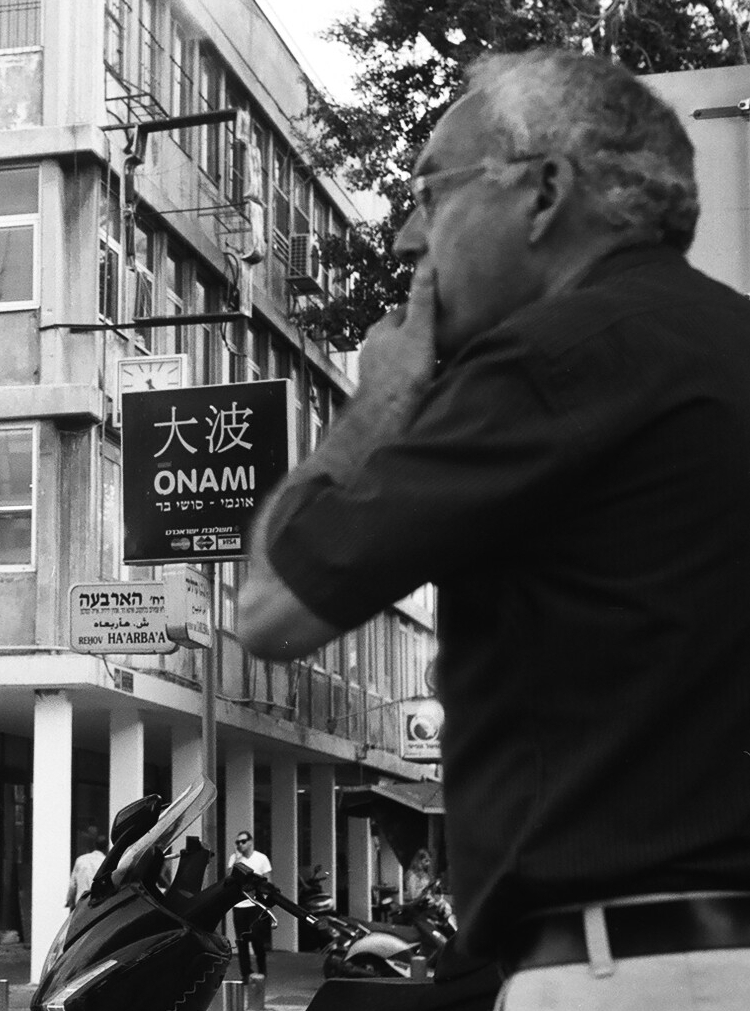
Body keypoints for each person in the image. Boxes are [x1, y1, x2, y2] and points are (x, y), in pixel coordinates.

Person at [236, 48, 750, 1010]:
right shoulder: (723, 348)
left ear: (544, 191)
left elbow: (272, 606)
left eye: (431, 192)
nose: (405, 241)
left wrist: (379, 402)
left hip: (629, 967)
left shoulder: (552, 360)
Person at [227, 830, 272, 981]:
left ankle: (262, 971)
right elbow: (229, 878)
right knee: (242, 941)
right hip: (239, 905)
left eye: (243, 841)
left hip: (255, 905)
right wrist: (237, 859)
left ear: (251, 842)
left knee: (257, 939)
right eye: (238, 842)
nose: (240, 845)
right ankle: (246, 973)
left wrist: (265, 903)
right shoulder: (234, 859)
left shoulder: (261, 858)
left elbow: (267, 881)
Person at [63, 827, 105, 910]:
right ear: (106, 848)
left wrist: (69, 901)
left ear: (94, 845)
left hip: (81, 904)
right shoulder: (105, 862)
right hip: (97, 904)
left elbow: (73, 885)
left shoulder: (81, 860)